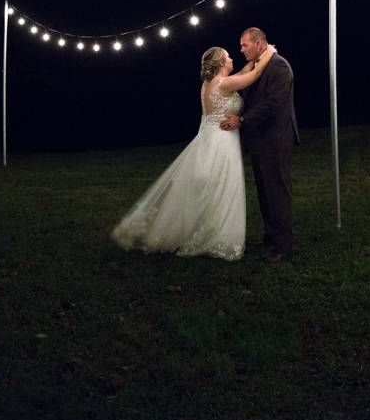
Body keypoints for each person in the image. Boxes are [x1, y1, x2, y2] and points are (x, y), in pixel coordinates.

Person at [111, 43, 277, 260]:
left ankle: (204, 229)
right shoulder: (225, 83)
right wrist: (269, 54)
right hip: (222, 141)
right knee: (223, 186)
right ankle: (217, 237)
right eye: (228, 57)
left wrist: (255, 59)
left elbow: (245, 71)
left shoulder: (209, 83)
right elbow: (253, 74)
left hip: (207, 138)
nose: (232, 59)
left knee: (209, 187)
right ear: (219, 63)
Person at [220, 27, 299, 263]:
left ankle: (282, 247)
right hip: (259, 141)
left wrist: (242, 120)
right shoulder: (257, 66)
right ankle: (271, 237)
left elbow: (274, 105)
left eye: (245, 45)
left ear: (260, 43)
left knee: (277, 193)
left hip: (275, 140)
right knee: (265, 194)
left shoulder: (279, 66)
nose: (241, 49)